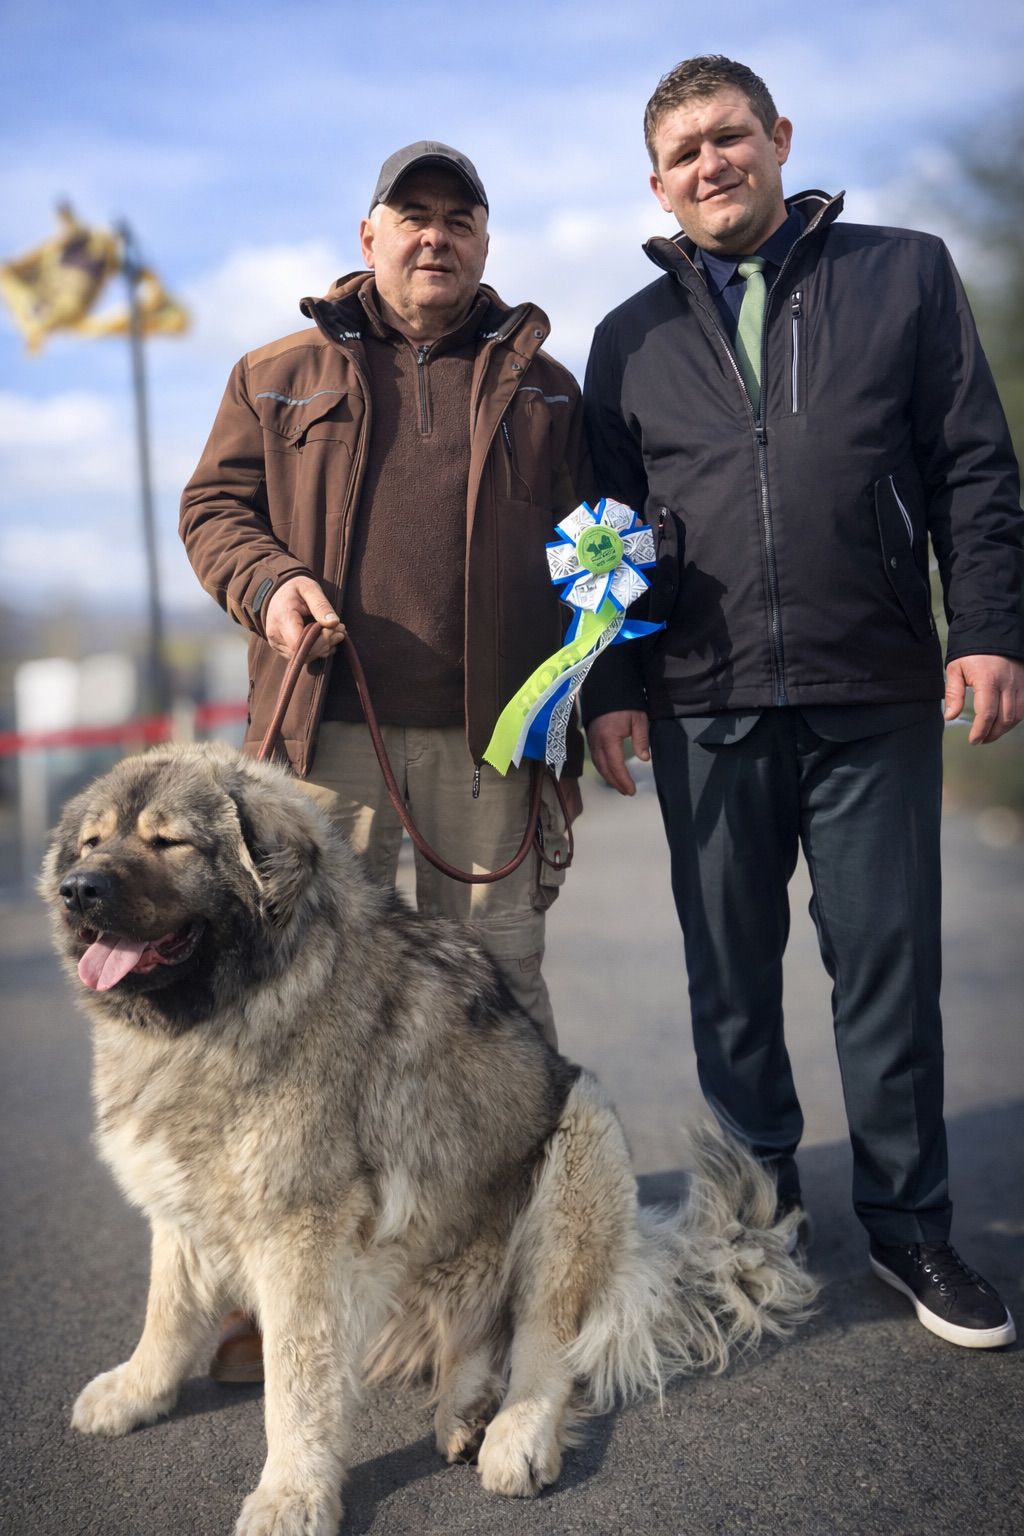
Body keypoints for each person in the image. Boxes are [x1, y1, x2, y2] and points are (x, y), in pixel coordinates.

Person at [582, 55, 1022, 1348]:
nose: (712, 164)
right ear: (657, 185)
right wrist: (614, 689)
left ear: (778, 137)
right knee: (731, 980)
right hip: (702, 703)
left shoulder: (905, 274)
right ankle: (760, 1214)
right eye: (684, 153)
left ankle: (911, 1228)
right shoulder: (627, 340)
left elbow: (975, 471)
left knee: (885, 968)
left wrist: (988, 630)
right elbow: (602, 537)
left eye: (731, 137)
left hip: (872, 683)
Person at [180, 140, 586, 1378]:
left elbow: (597, 560)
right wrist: (274, 582)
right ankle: (268, 1286)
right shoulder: (276, 372)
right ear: (368, 237)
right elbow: (214, 512)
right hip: (322, 734)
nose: (435, 238)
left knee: (496, 1001)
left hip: (489, 737)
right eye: (411, 217)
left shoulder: (547, 389)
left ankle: (514, 1262)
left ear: (483, 242)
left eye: (460, 219)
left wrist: (588, 707)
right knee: (301, 1008)